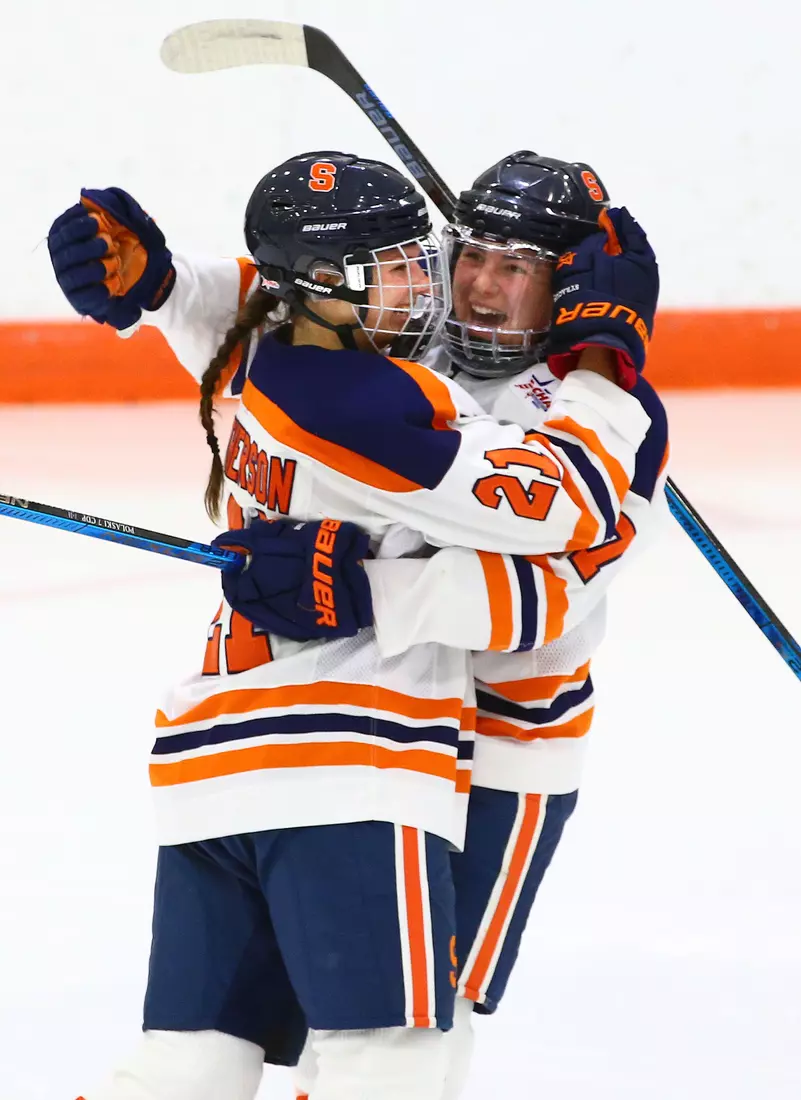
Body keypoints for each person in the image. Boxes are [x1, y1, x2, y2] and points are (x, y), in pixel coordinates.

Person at [47, 150, 663, 1100]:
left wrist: (368, 593)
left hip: (498, 745)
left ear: (574, 284)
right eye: (468, 256)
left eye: (518, 268)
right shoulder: (407, 352)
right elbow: (284, 294)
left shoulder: (605, 414)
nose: (476, 289)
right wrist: (170, 287)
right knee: (397, 1043)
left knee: (338, 1026)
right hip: (372, 745)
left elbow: (546, 603)